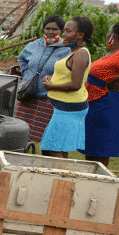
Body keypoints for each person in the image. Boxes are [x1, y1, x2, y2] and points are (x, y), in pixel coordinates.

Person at [79, 21, 119, 168]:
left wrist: (110, 81)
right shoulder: (113, 53)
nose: (107, 34)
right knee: (92, 145)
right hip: (97, 104)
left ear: (113, 35)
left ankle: (98, 180)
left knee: (101, 147)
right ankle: (91, 177)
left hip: (109, 105)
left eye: (109, 31)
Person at [39, 16, 93, 159]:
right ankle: (62, 177)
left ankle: (60, 178)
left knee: (55, 148)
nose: (63, 34)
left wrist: (52, 86)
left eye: (68, 31)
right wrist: (52, 79)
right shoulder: (73, 52)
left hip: (68, 109)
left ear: (80, 35)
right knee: (60, 147)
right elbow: (68, 75)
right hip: (63, 108)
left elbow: (76, 84)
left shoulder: (80, 54)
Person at [14, 15, 71, 144]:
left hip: (47, 100)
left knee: (46, 139)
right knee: (20, 135)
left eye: (55, 29)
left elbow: (67, 70)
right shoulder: (35, 44)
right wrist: (27, 74)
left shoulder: (66, 49)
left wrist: (55, 80)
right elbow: (22, 59)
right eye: (47, 28)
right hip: (27, 97)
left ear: (61, 31)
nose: (50, 32)